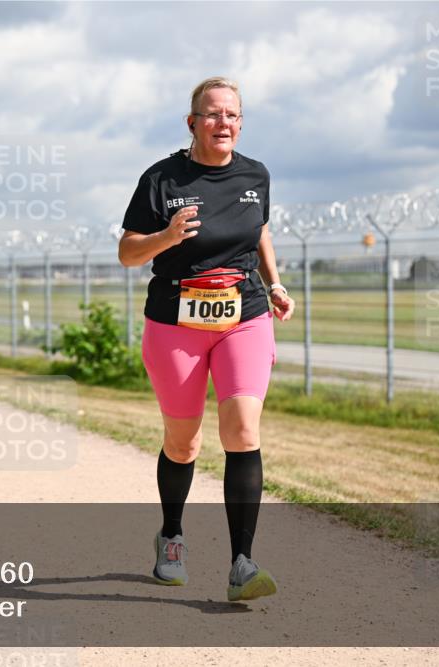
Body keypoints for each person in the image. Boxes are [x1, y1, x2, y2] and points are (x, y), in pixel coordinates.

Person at [118, 77, 295, 602]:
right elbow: (128, 252)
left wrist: (275, 281)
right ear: (191, 122)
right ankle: (171, 536)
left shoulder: (255, 175)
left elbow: (259, 229)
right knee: (184, 441)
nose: (224, 123)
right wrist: (167, 237)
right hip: (176, 321)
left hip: (243, 313)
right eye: (213, 114)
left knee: (242, 427)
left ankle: (243, 562)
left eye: (234, 115)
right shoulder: (162, 178)